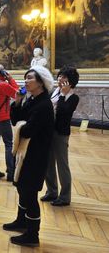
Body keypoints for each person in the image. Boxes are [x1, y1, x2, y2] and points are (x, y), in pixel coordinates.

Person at [3, 65, 54, 247]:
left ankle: (33, 235)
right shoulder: (32, 100)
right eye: (25, 78)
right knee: (21, 188)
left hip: (36, 155)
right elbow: (17, 122)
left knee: (29, 192)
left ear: (41, 82)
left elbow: (28, 129)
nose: (26, 81)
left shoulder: (44, 104)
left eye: (30, 78)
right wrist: (17, 103)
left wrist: (22, 126)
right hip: (26, 153)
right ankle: (21, 221)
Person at [41, 66, 80, 207]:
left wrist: (63, 95)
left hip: (60, 134)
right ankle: (52, 191)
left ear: (71, 81)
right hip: (48, 131)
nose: (60, 79)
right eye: (59, 76)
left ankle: (64, 197)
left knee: (62, 165)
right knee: (48, 162)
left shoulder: (73, 97)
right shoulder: (53, 92)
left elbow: (64, 111)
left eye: (64, 77)